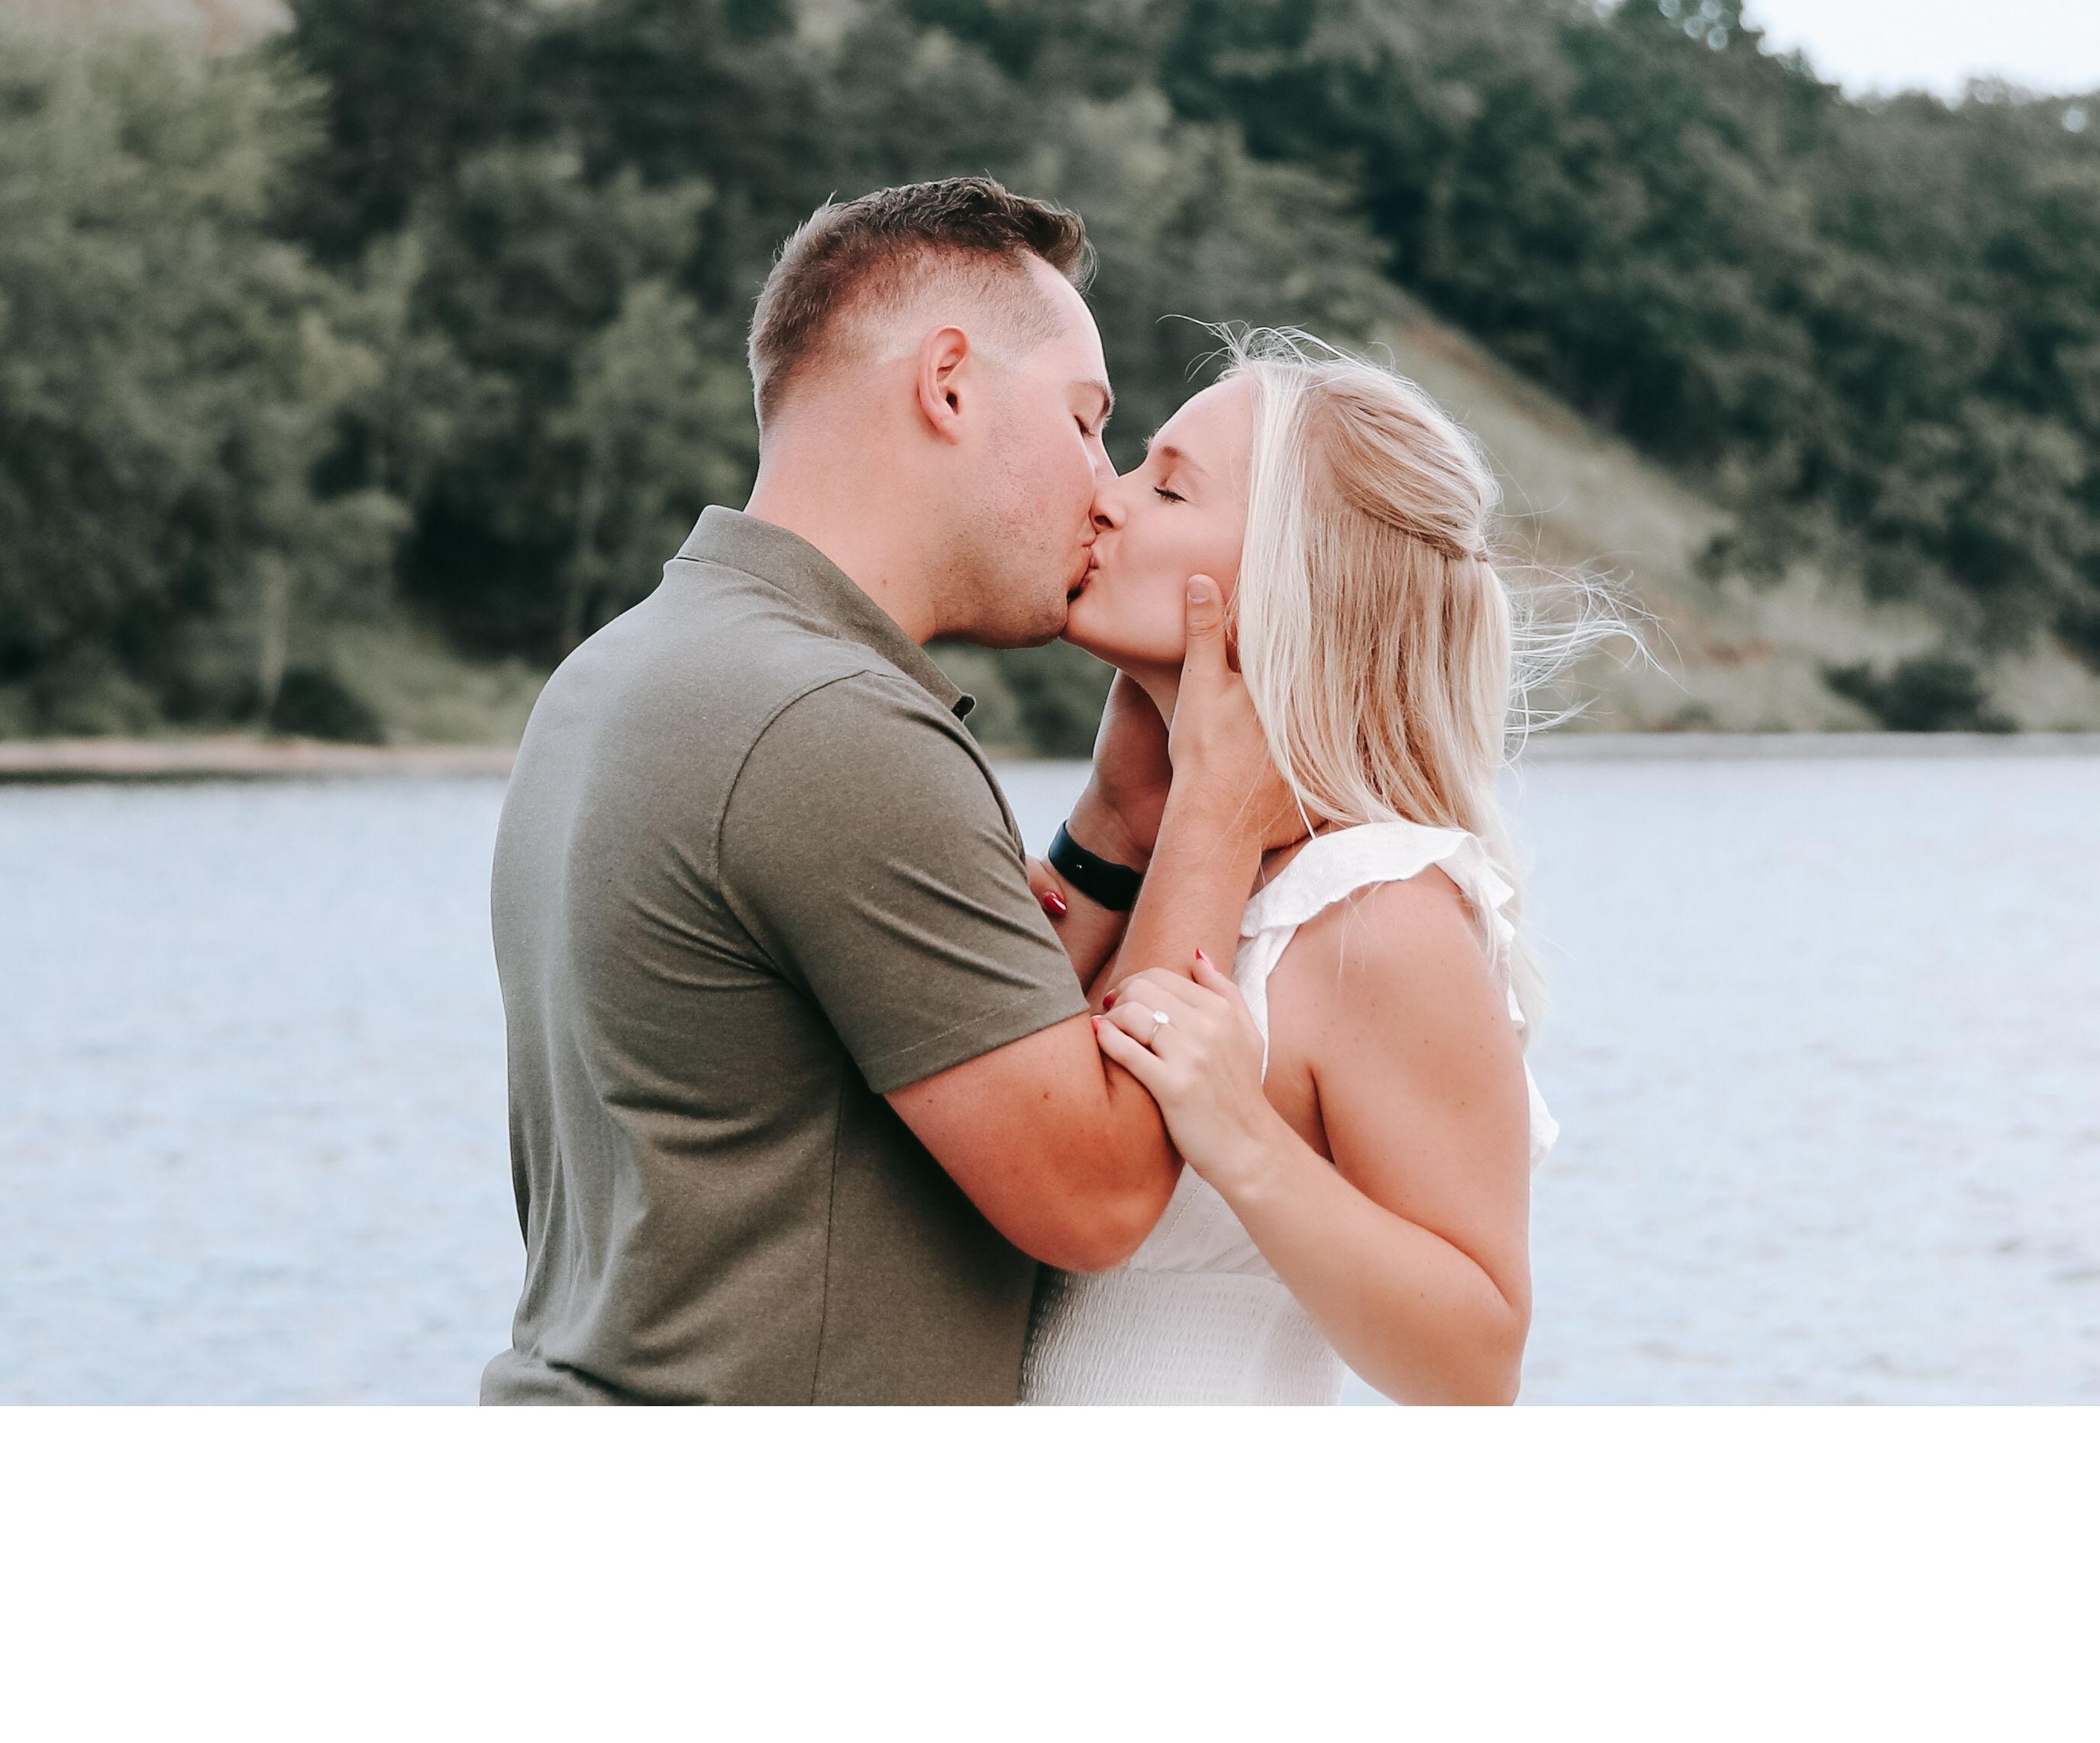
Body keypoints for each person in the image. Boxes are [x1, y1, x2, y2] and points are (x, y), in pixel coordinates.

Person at [480, 177, 1290, 1405]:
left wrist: (1118, 826)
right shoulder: (831, 725)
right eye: (1084, 422)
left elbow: (899, 1057)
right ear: (948, 383)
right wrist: (1217, 819)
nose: (1101, 485)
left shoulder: (618, 670)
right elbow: (1098, 1197)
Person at [1019, 328, 1614, 1405]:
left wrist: (1244, 1137)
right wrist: (1113, 830)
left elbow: (1476, 1366)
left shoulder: (1375, 913)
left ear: (1293, 577)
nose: (1104, 498)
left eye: (1168, 488)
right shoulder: (1165, 859)